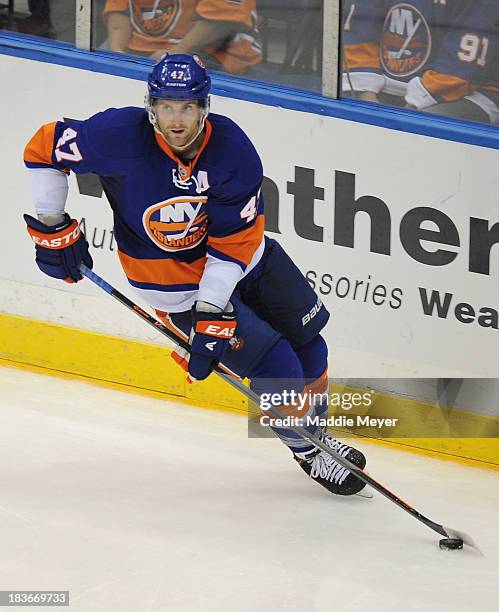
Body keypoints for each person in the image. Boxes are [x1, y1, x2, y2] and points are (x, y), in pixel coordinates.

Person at [23, 53, 367, 496]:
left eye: (187, 106)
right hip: (174, 286)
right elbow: (42, 146)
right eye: (167, 106)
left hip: (247, 260)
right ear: (152, 106)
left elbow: (233, 244)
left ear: (205, 106)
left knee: (311, 348)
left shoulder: (233, 150)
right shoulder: (117, 135)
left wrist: (214, 310)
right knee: (275, 364)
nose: (177, 118)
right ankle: (307, 451)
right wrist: (53, 224)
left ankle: (313, 436)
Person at [342, 0, 499, 125]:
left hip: (467, 94)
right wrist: (366, 95)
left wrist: (404, 116)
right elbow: (360, 28)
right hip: (385, 84)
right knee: (342, 108)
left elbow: (460, 68)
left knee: (416, 132)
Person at [103, 0, 261, 75]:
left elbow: (220, 23)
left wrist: (177, 52)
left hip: (215, 50)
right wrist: (116, 52)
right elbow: (119, 12)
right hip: (144, 45)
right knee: (102, 60)